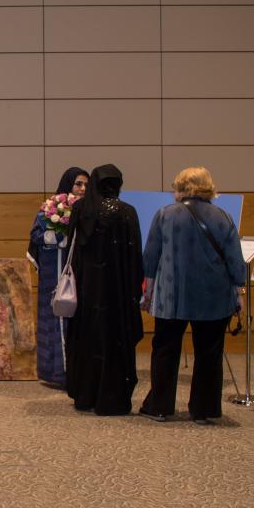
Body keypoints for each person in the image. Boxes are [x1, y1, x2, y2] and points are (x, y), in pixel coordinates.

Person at [138, 167, 247, 425]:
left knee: (165, 350)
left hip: (172, 297)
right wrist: (239, 292)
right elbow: (235, 263)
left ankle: (160, 406)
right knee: (209, 353)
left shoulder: (165, 215)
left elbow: (150, 259)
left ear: (182, 187)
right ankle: (204, 410)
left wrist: (148, 293)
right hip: (214, 297)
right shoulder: (224, 217)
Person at [64, 164, 144, 416]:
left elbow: (72, 250)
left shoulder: (80, 209)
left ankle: (85, 393)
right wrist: (134, 288)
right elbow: (134, 254)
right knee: (114, 340)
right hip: (116, 291)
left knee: (87, 338)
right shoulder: (127, 212)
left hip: (87, 289)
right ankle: (111, 397)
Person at [28, 167, 89, 388]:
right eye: (78, 184)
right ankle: (54, 372)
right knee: (53, 319)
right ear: (68, 185)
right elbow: (35, 236)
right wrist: (53, 236)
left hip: (80, 276)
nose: (82, 189)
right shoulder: (49, 209)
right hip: (53, 276)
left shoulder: (89, 210)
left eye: (85, 185)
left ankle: (77, 372)